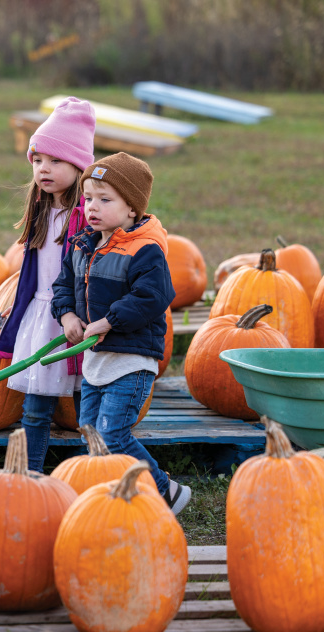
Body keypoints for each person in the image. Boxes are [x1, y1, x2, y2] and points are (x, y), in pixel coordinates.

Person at [51, 152, 191, 514]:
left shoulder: (145, 250)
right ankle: (114, 496)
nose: (91, 207)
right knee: (90, 431)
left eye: (104, 199)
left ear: (132, 208)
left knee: (113, 433)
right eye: (88, 198)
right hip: (97, 358)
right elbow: (63, 284)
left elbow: (153, 297)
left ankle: (165, 491)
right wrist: (66, 314)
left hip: (131, 359)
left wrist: (108, 321)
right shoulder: (84, 244)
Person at [0, 96, 95, 473]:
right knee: (35, 410)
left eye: (55, 160)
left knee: (90, 409)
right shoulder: (41, 210)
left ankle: (96, 475)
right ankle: (29, 476)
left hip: (81, 320)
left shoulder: (88, 216)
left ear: (80, 165)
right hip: (44, 317)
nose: (43, 168)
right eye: (37, 160)